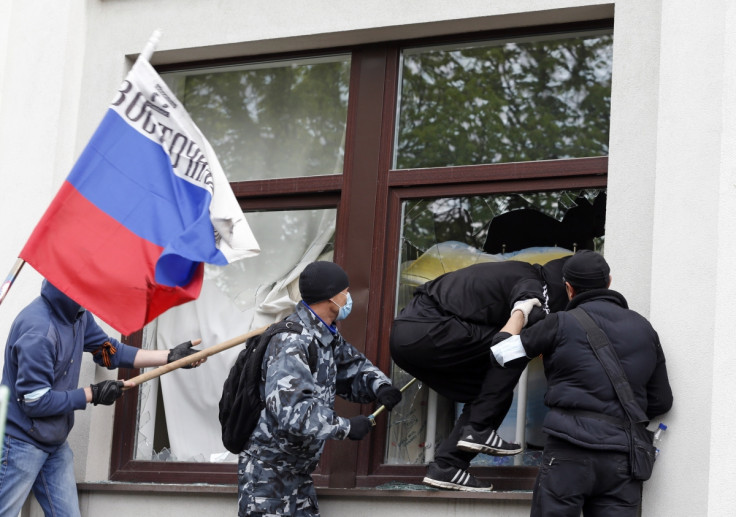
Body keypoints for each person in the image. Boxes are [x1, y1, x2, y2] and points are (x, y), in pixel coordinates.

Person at [490, 250, 673, 516]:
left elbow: (501, 354)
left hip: (568, 451)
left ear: (568, 288)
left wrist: (521, 310)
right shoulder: (644, 329)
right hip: (622, 458)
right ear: (609, 281)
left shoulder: (559, 323)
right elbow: (662, 401)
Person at [0, 280, 204, 517]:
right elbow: (34, 402)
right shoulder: (39, 331)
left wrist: (169, 357)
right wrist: (92, 394)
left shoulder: (77, 315)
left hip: (54, 445)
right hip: (20, 444)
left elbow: (109, 352)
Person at [389, 256, 571, 491]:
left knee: (492, 392)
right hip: (428, 327)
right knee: (516, 347)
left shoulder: (518, 272)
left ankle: (448, 466)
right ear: (565, 286)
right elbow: (528, 302)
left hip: (408, 335)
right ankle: (478, 429)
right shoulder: (535, 283)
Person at [238, 261, 402, 517]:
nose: (348, 297)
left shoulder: (324, 335)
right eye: (345, 291)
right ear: (331, 296)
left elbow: (353, 367)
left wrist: (380, 387)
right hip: (268, 477)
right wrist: (346, 427)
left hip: (297, 474)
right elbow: (292, 413)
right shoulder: (292, 341)